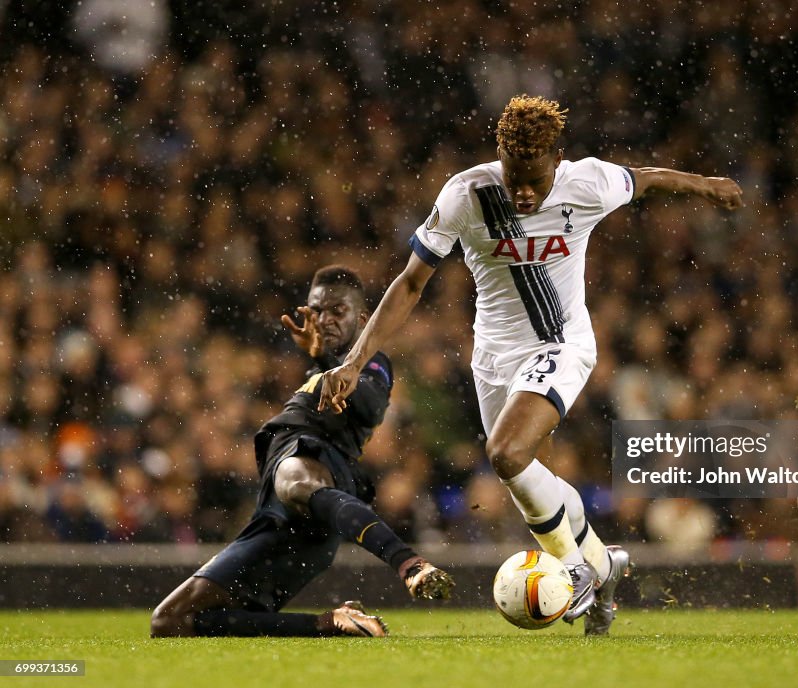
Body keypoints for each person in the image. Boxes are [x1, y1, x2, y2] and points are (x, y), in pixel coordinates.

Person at [317, 95, 743, 635]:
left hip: (561, 343)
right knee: (524, 482)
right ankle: (604, 563)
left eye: (534, 181)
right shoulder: (466, 194)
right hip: (493, 358)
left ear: (555, 161)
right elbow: (410, 282)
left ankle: (575, 571)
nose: (522, 191)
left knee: (507, 453)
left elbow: (648, 178)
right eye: (514, 176)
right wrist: (355, 359)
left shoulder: (586, 182)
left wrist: (710, 185)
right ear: (501, 157)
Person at [151, 265, 454, 638]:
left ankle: (407, 562)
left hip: (315, 469)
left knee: (295, 481)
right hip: (279, 519)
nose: (324, 320)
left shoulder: (372, 359)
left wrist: (329, 361)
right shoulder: (322, 366)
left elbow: (372, 404)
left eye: (336, 311)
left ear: (362, 319)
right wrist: (321, 358)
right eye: (317, 310)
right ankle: (332, 623)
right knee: (171, 620)